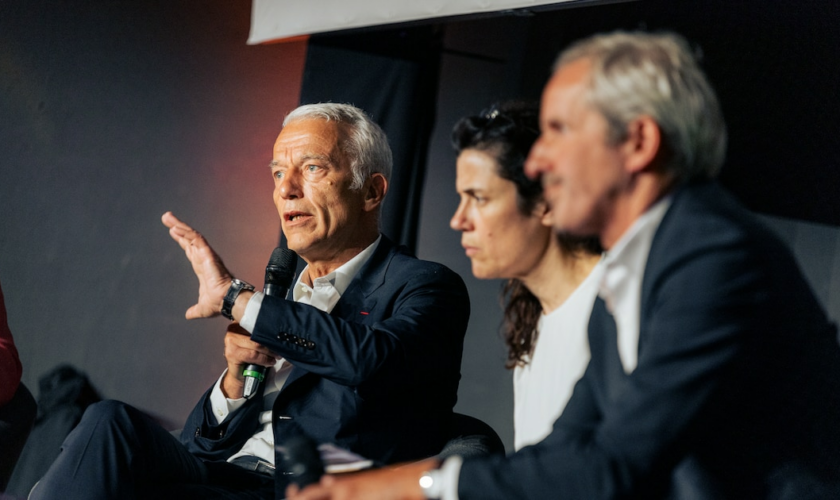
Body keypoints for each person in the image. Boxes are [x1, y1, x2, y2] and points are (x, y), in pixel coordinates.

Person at [288, 31, 840, 500]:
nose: (539, 159)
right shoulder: (637, 265)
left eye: (558, 130)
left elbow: (612, 466)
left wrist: (401, 487)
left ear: (639, 142)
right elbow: (566, 446)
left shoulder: (713, 256)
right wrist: (359, 487)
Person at [31, 103, 470, 499]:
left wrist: (235, 298)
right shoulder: (287, 295)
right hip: (224, 473)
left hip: (302, 490)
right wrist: (234, 387)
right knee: (109, 421)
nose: (287, 189)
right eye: (278, 173)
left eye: (312, 168)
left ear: (371, 191)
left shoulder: (425, 286)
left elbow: (370, 360)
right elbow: (199, 445)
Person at [448, 100, 601, 451]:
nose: (459, 220)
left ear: (547, 201)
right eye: (461, 199)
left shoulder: (619, 308)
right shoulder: (534, 320)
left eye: (479, 198)